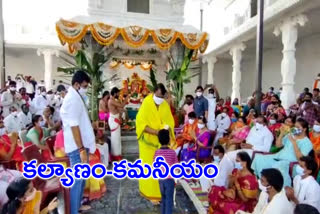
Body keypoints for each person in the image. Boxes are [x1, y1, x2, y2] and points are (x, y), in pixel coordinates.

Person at [60, 70, 95, 214]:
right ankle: (73, 210)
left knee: (81, 177)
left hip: (81, 144)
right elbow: (74, 126)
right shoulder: (72, 99)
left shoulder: (76, 97)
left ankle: (78, 205)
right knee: (77, 179)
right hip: (77, 147)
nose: (86, 89)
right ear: (76, 84)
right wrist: (81, 149)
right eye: (84, 86)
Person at [136, 83, 175, 203]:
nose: (158, 99)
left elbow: (170, 122)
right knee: (148, 168)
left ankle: (159, 194)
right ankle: (149, 193)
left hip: (160, 144)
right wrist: (156, 131)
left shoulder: (164, 104)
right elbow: (141, 124)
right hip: (147, 143)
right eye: (157, 96)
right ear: (153, 93)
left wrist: (166, 130)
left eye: (161, 97)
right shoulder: (146, 103)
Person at [214, 116, 273, 188]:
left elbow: (266, 149)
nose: (257, 123)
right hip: (245, 150)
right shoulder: (254, 128)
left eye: (260, 122)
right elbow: (247, 139)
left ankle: (222, 184)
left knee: (229, 158)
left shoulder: (268, 134)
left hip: (255, 153)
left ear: (264, 123)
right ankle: (222, 183)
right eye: (256, 121)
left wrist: (252, 147)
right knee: (227, 156)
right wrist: (244, 144)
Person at [252, 118, 313, 187]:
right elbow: (278, 145)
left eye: (298, 127)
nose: (295, 129)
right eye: (295, 126)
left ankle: (281, 189)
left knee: (279, 166)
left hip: (290, 162)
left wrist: (294, 142)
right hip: (279, 156)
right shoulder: (291, 134)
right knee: (259, 158)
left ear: (304, 129)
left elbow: (301, 158)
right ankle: (265, 182)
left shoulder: (307, 143)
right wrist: (281, 133)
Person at [154, 129, 178, 214]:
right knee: (169, 200)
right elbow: (176, 167)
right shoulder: (172, 152)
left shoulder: (157, 152)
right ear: (169, 140)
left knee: (163, 199)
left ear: (159, 140)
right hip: (169, 180)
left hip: (161, 179)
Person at [108, 87, 130, 161]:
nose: (118, 94)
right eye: (118, 93)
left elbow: (118, 108)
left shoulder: (113, 100)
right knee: (115, 139)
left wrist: (123, 110)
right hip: (114, 121)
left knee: (117, 139)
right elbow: (121, 106)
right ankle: (115, 156)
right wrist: (126, 98)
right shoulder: (111, 100)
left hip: (115, 120)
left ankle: (117, 155)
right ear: (114, 93)